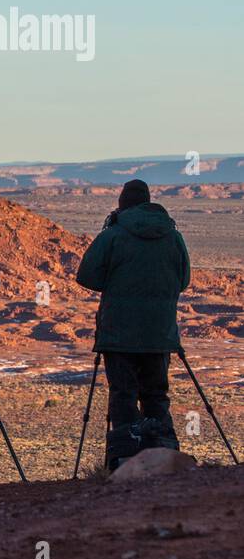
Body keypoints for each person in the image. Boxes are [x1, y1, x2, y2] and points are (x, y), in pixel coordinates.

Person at [76, 179, 191, 471]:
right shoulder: (173, 236)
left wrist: (116, 283)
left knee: (123, 394)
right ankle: (163, 454)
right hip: (160, 334)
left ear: (122, 204)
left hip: (119, 334)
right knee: (156, 394)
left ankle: (125, 459)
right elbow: (184, 279)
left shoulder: (113, 235)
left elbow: (87, 275)